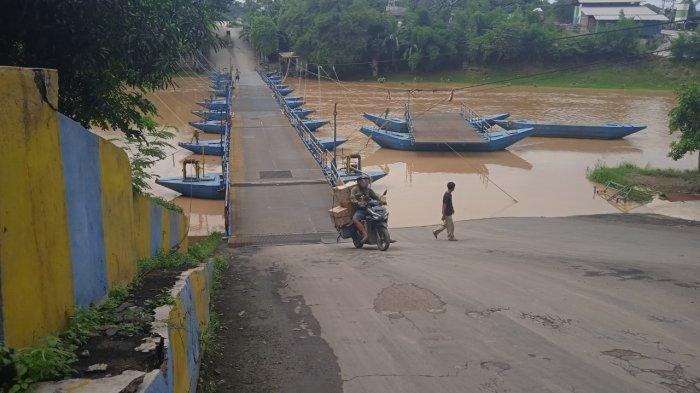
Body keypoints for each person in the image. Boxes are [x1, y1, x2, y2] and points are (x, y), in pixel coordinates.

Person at [351, 175, 382, 243]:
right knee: (355, 219)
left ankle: (384, 233)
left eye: (365, 181)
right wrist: (358, 203)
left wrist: (381, 201)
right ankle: (365, 234)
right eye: (362, 181)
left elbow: (376, 197)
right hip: (361, 210)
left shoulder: (369, 190)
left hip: (370, 209)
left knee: (381, 217)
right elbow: (352, 198)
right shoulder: (355, 189)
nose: (364, 182)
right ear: (358, 182)